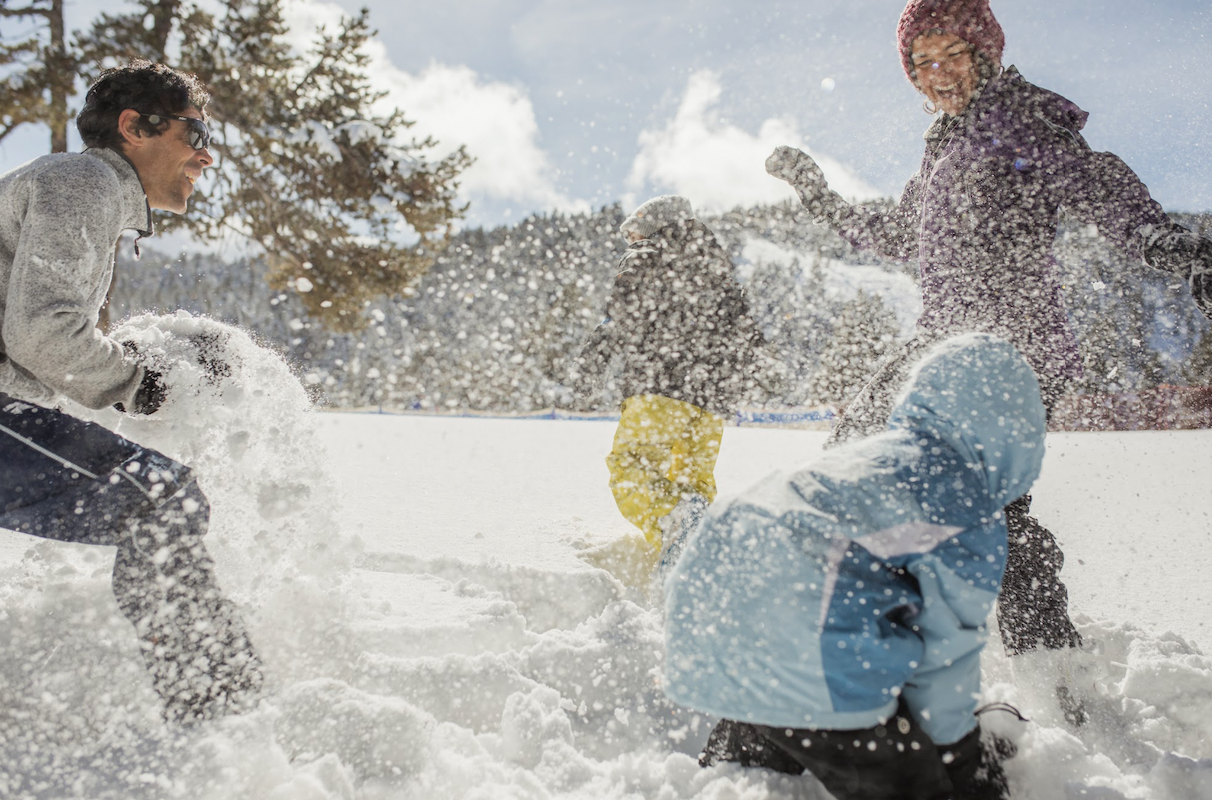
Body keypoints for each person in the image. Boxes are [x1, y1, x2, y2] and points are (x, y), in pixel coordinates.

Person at [763, 0, 1212, 690]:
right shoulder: (944, 143)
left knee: (978, 508)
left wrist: (1162, 238)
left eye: (952, 55)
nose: (937, 75)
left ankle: (1045, 670)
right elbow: (902, 233)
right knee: (861, 451)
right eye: (921, 64)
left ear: (985, 52)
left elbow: (1091, 179)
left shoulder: (1019, 114)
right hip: (943, 345)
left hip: (1010, 347)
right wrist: (823, 201)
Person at [664, 333, 1045, 800]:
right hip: (815, 660)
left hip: (714, 634)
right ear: (1017, 438)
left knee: (769, 731)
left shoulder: (870, 461)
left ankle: (738, 758)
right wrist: (962, 759)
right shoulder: (967, 508)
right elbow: (946, 658)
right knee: (917, 779)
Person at [0, 60, 263, 723]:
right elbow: (41, 334)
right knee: (163, 499)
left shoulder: (75, 191)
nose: (205, 153)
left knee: (155, 500)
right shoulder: (82, 180)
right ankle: (220, 710)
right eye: (194, 130)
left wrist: (132, 369)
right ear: (134, 127)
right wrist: (139, 383)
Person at [572, 195, 765, 587]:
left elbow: (620, 315)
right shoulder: (718, 269)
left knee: (631, 470)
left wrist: (591, 363)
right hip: (709, 403)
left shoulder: (646, 255)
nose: (632, 239)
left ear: (657, 225)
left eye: (637, 230)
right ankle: (700, 555)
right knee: (693, 482)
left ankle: (677, 534)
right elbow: (746, 333)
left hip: (657, 387)